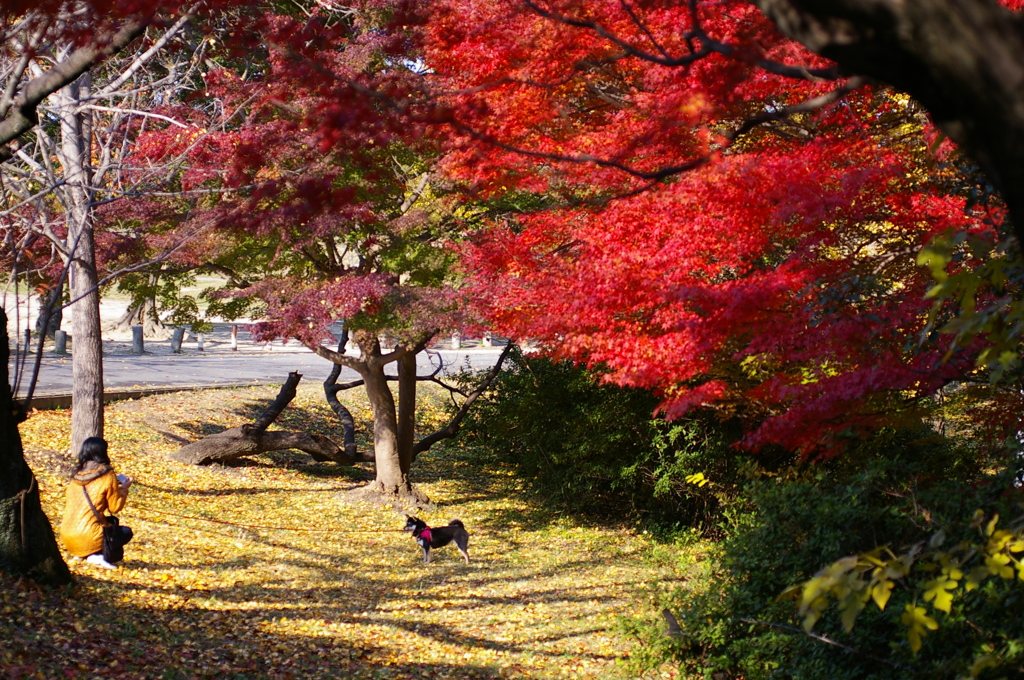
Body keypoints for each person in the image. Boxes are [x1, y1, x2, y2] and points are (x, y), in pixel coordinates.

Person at [60, 437, 133, 569]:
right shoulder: (106, 473)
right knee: (125, 532)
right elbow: (115, 507)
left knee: (108, 521)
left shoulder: (76, 475)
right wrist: (123, 489)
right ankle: (96, 555)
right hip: (88, 535)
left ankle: (81, 552)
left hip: (66, 535)